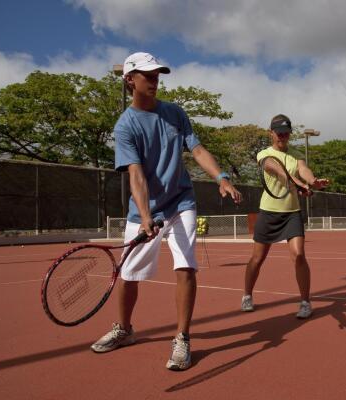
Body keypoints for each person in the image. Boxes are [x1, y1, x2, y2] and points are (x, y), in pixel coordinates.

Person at [90, 52, 242, 371]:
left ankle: (182, 337)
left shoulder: (175, 113)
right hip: (143, 211)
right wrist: (145, 216)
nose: (155, 79)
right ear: (130, 80)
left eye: (158, 74)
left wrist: (221, 178)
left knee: (185, 266)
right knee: (129, 276)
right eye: (148, 74)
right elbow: (136, 174)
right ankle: (124, 328)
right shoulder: (125, 126)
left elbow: (197, 149)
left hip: (181, 202)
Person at [241, 114, 329, 318]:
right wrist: (297, 183)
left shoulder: (296, 154)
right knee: (257, 258)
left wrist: (312, 181)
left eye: (286, 133)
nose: (282, 136)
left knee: (299, 255)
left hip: (292, 213)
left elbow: (304, 170)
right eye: (279, 132)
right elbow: (276, 169)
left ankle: (305, 302)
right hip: (269, 212)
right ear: (271, 133)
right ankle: (247, 294)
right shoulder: (264, 154)